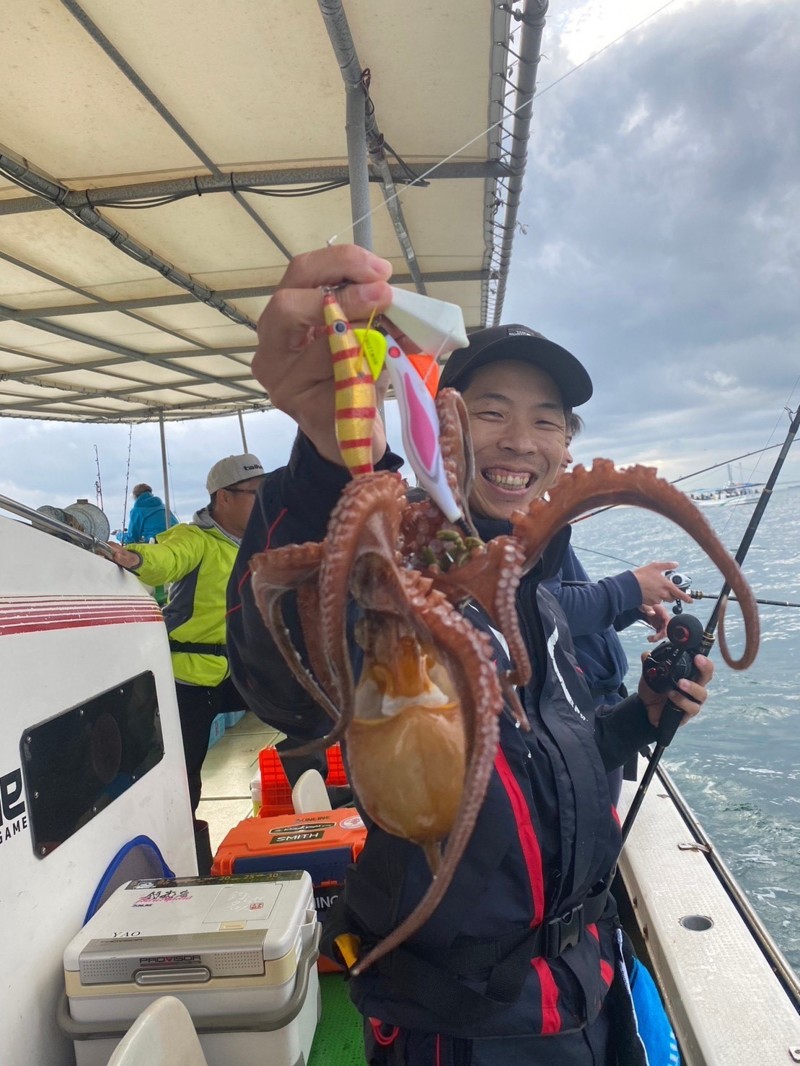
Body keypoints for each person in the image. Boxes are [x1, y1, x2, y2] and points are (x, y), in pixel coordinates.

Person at [227, 245, 712, 1065]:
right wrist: (322, 456)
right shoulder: (397, 579)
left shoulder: (553, 589)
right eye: (490, 411)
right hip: (460, 1023)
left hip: (588, 989)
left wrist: (641, 717)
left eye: (547, 419)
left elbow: (560, 754)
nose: (520, 440)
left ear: (567, 446)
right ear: (436, 425)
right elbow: (290, 690)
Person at [111, 453, 265, 872]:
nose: (263, 501)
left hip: (237, 672)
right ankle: (181, 855)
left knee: (304, 716)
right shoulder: (194, 537)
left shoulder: (259, 540)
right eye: (255, 493)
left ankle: (306, 796)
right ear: (223, 498)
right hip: (188, 679)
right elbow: (167, 558)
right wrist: (136, 559)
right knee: (185, 772)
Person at [542, 415, 692, 804]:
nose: (568, 457)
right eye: (560, 439)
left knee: (601, 814)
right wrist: (627, 588)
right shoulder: (531, 531)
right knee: (596, 814)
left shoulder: (546, 524)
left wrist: (631, 606)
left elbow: (567, 613)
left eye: (567, 441)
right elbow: (544, 611)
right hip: (577, 707)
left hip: (599, 709)